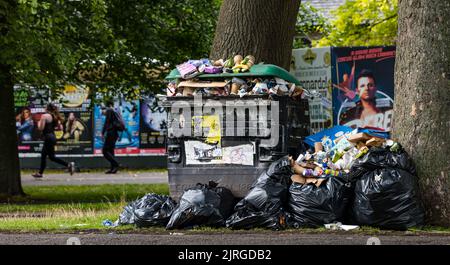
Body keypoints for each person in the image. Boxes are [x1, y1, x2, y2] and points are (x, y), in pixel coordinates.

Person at [32, 103, 75, 178]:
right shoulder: (53, 116)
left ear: (47, 108)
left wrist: (38, 123)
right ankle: (40, 173)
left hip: (48, 137)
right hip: (52, 137)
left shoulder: (44, 116)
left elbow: (41, 128)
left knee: (52, 157)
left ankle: (69, 164)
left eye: (45, 107)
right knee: (44, 155)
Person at [101, 100, 120, 174]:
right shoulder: (114, 111)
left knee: (105, 151)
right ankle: (113, 168)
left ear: (107, 105)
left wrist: (102, 132)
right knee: (111, 151)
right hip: (114, 133)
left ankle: (116, 163)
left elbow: (107, 122)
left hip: (111, 133)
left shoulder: (109, 110)